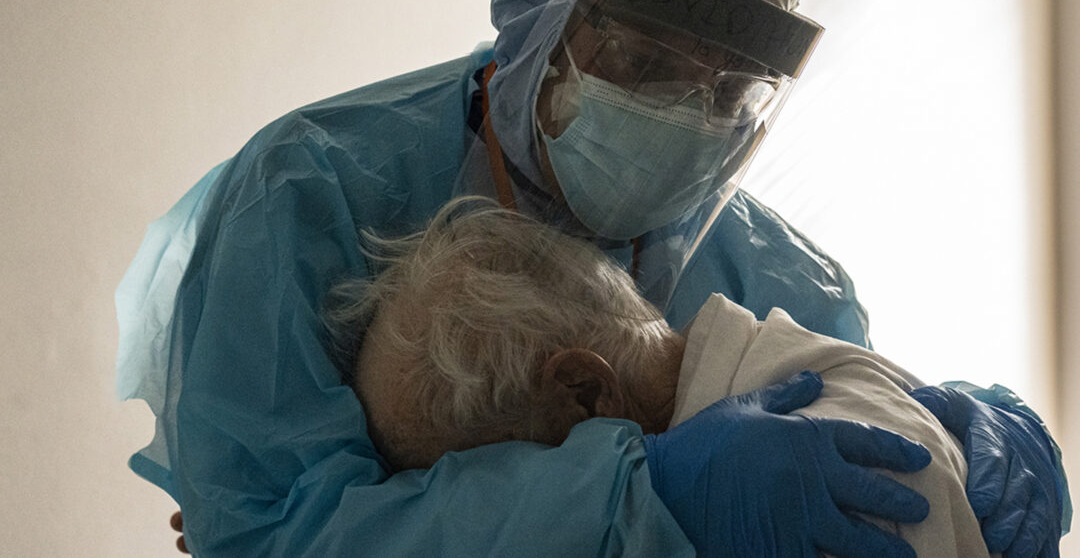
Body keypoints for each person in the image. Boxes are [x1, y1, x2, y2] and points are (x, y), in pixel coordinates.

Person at [118, 0, 1068, 556]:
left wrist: (975, 434)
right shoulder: (311, 191)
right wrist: (638, 494)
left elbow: (869, 469)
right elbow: (271, 531)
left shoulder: (781, 280)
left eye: (732, 91)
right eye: (648, 63)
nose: (687, 113)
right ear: (541, 21)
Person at [325, 195, 1010, 557]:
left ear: (585, 393)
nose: (513, 519)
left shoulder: (839, 485)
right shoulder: (785, 368)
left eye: (489, 481)